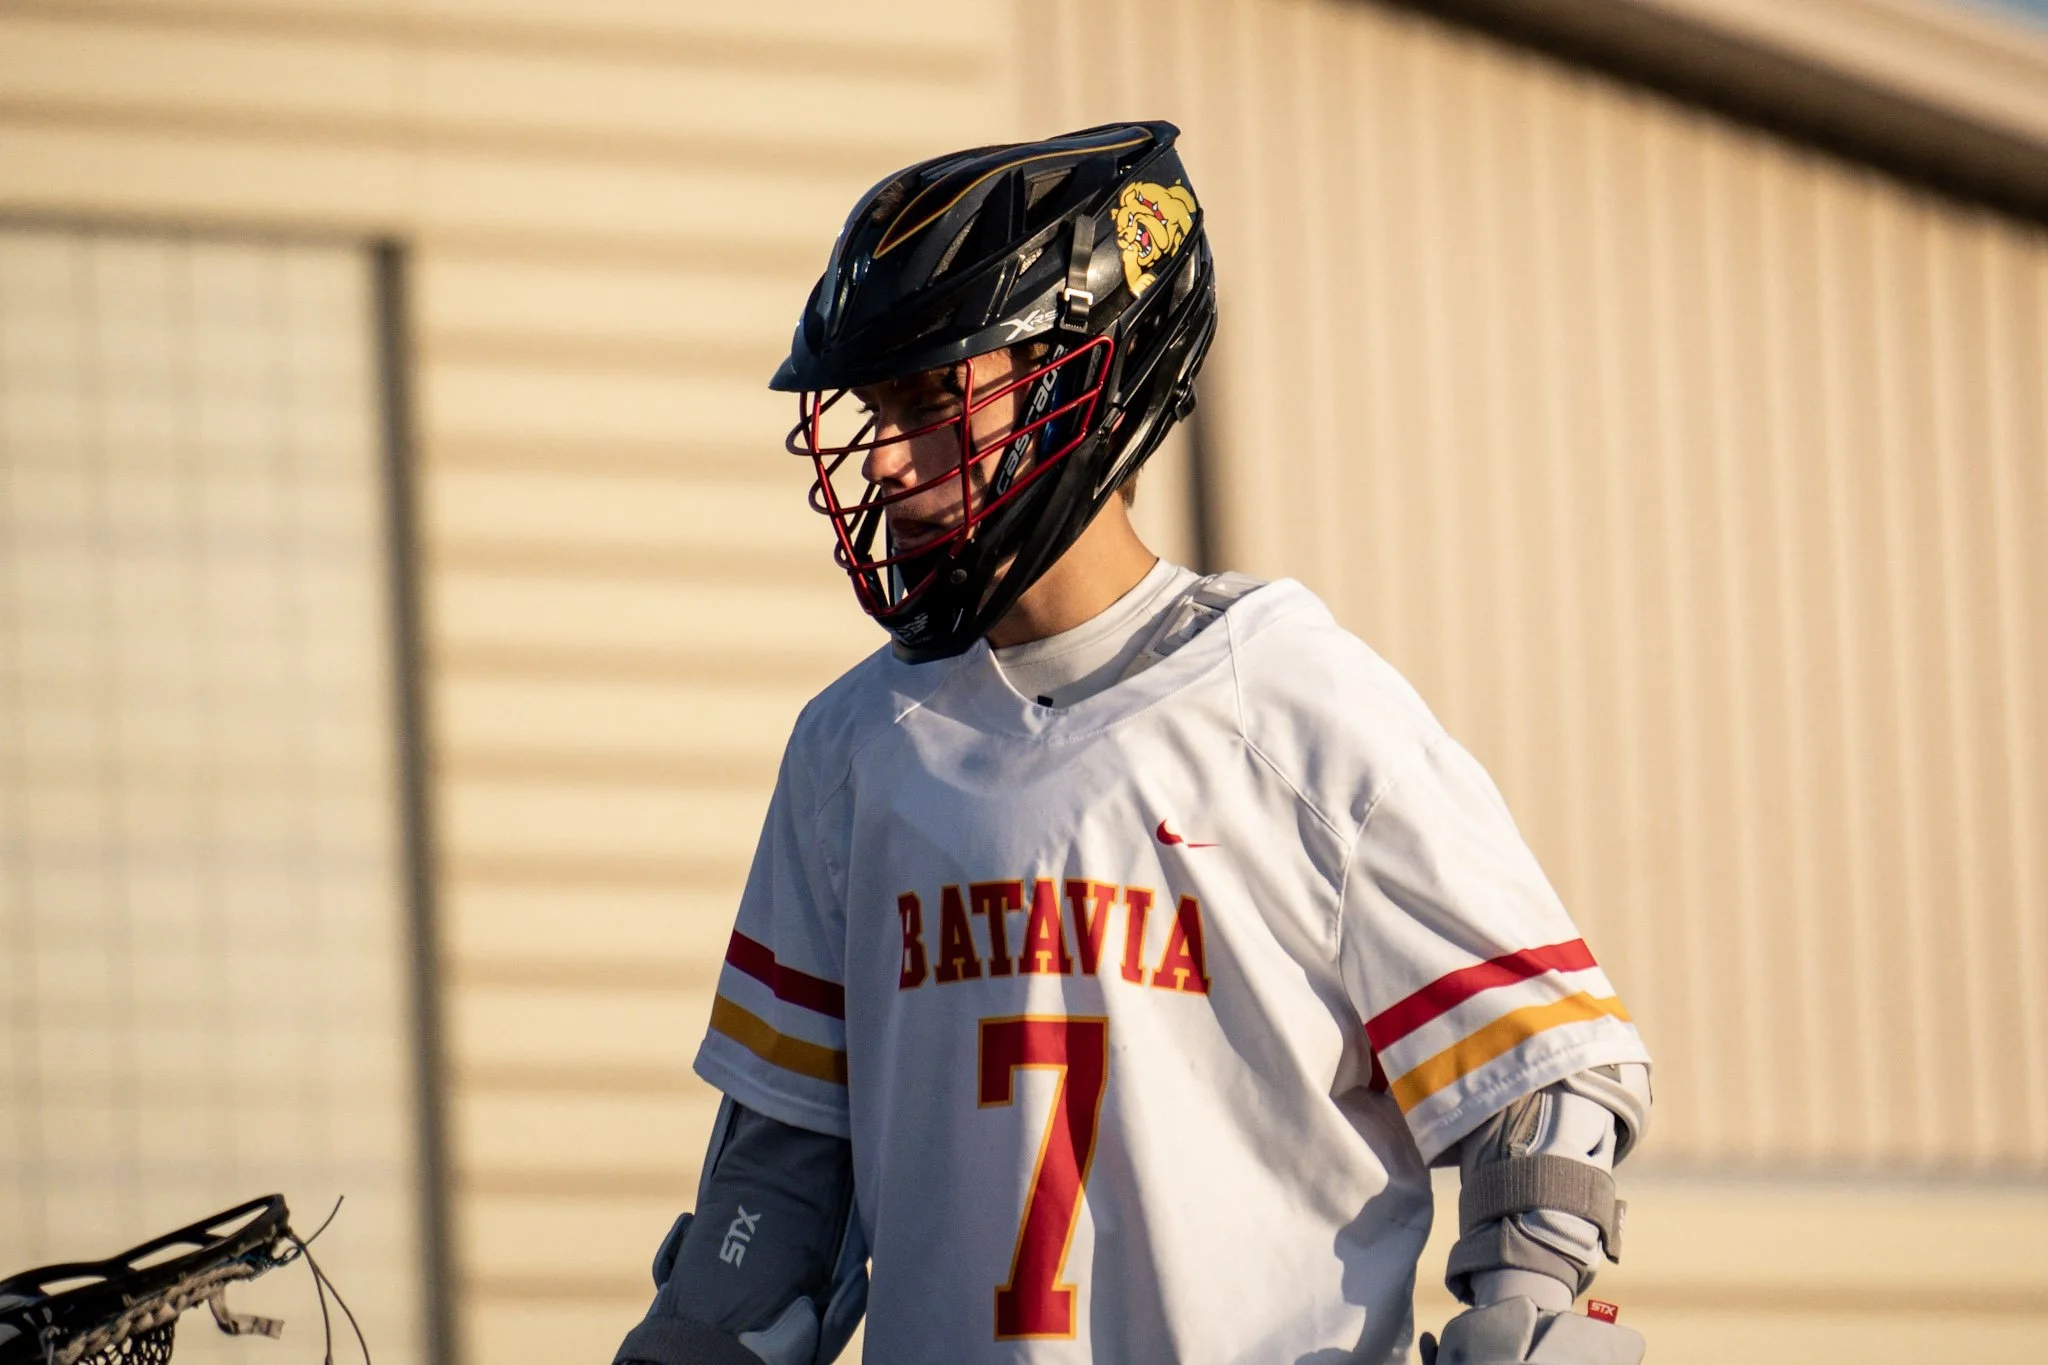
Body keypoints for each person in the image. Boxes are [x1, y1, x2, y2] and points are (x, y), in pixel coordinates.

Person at [611, 121, 1653, 1365]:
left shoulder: (1295, 708)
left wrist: (1525, 1310)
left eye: (932, 399)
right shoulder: (850, 748)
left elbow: (1542, 1078)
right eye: (872, 409)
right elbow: (779, 1178)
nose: (884, 461)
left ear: (1081, 376)